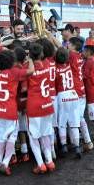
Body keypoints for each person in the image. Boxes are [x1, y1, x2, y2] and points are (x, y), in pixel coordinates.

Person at [0, 50, 34, 175]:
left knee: (0, 137)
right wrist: (30, 60)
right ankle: (5, 163)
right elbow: (30, 71)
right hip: (9, 110)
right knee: (11, 137)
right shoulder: (14, 72)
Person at [26, 43, 55, 174]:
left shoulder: (28, 68)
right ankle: (49, 161)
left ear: (30, 55)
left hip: (34, 106)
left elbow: (24, 88)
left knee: (33, 137)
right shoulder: (48, 63)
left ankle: (40, 164)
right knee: (45, 134)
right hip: (47, 104)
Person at [55, 47, 81, 158]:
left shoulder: (56, 69)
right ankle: (77, 147)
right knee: (74, 123)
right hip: (74, 95)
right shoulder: (71, 66)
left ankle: (64, 145)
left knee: (62, 123)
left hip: (62, 95)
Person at [68, 37, 93, 152]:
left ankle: (78, 144)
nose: (67, 45)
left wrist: (49, 36)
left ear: (73, 46)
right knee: (79, 118)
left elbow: (59, 49)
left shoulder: (72, 55)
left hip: (76, 90)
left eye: (69, 43)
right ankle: (87, 141)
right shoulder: (78, 56)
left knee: (74, 119)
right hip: (80, 89)